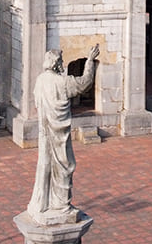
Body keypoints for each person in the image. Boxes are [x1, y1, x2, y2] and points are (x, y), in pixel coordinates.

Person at [27, 45, 99, 225]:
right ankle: (61, 205)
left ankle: (42, 203)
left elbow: (37, 101)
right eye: (61, 61)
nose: (63, 64)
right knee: (64, 166)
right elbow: (84, 84)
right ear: (57, 63)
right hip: (58, 135)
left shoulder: (41, 80)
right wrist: (90, 61)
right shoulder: (62, 82)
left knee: (45, 165)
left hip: (45, 132)